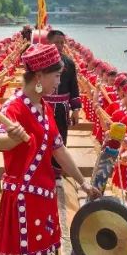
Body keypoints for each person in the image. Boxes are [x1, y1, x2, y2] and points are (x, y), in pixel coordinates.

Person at [0, 43, 98, 255]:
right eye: (56, 76)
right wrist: (9, 138)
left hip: (42, 197)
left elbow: (58, 149)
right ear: (39, 75)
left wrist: (81, 181)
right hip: (22, 200)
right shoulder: (14, 108)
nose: (58, 82)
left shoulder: (44, 107)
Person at [43, 30, 81, 179]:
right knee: (42, 137)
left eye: (62, 43)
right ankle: (43, 170)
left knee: (60, 137)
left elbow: (74, 87)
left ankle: (57, 173)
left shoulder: (69, 63)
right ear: (49, 43)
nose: (59, 46)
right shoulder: (42, 63)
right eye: (56, 42)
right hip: (44, 106)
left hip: (61, 108)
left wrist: (76, 110)